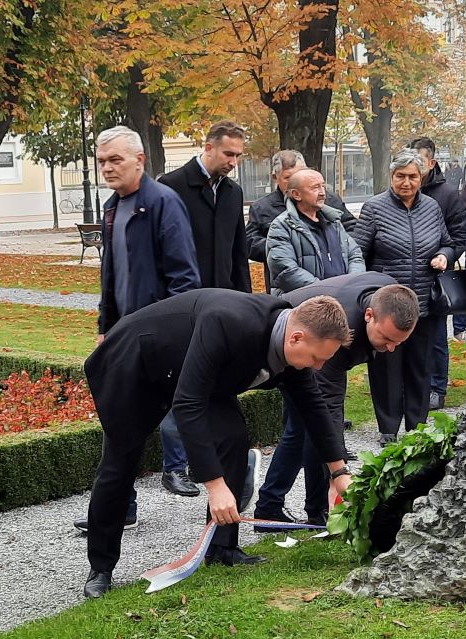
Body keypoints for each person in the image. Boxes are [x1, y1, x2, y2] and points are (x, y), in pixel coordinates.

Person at [81, 291, 356, 598]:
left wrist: (339, 472)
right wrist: (215, 486)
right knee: (120, 462)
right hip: (136, 362)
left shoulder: (292, 340)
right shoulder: (228, 322)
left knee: (233, 437)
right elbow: (188, 404)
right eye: (317, 358)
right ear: (296, 338)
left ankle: (222, 548)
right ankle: (101, 568)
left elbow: (314, 407)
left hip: (197, 373)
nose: (318, 367)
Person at [75, 126, 200, 530]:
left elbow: (185, 279)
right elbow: (110, 276)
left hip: (159, 338)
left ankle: (226, 490)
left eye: (116, 160)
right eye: (102, 161)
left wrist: (170, 334)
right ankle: (119, 509)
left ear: (140, 160)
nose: (107, 168)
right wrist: (105, 326)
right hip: (124, 337)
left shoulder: (163, 203)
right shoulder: (112, 208)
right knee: (119, 425)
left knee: (194, 413)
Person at [254, 273, 419, 528]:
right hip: (293, 343)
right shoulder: (340, 334)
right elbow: (326, 413)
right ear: (369, 315)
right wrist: (337, 475)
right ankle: (302, 510)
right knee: (306, 427)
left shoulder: (393, 298)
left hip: (320, 341)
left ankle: (274, 508)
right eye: (386, 339)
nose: (391, 349)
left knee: (302, 428)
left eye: (399, 342)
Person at [354, 151, 455, 444]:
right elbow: (358, 254)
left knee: (420, 368)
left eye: (412, 176)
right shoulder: (374, 208)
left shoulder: (432, 208)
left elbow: (448, 243)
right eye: (400, 176)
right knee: (386, 368)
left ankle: (417, 427)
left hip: (423, 302)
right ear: (392, 176)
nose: (406, 182)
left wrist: (444, 256)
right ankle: (388, 428)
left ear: (421, 178)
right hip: (387, 304)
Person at [407, 137, 466, 412]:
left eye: (419, 162)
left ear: (431, 163)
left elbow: (459, 236)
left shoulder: (447, 195)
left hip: (435, 278)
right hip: (404, 278)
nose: (413, 169)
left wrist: (446, 256)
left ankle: (436, 388)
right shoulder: (399, 192)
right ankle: (410, 386)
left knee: (435, 336)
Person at [159, 120, 252, 292]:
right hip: (184, 296)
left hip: (225, 296)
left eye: (237, 156)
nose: (233, 163)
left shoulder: (234, 192)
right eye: (228, 154)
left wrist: (245, 299)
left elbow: (239, 253)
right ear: (209, 148)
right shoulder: (171, 186)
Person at [246, 150, 356, 292]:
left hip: (339, 285)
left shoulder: (329, 201)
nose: (294, 181)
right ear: (275, 177)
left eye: (299, 174)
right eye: (288, 177)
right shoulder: (262, 208)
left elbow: (353, 231)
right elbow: (249, 243)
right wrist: (283, 247)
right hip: (292, 288)